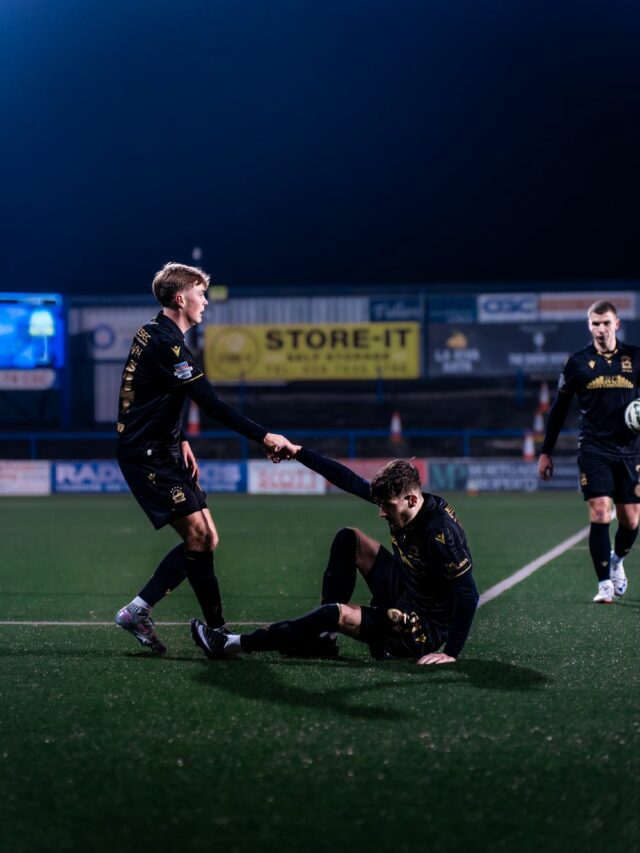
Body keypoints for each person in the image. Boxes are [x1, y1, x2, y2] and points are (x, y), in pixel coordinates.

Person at [114, 261, 296, 653]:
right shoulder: (168, 345)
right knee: (199, 536)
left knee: (208, 538)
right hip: (146, 455)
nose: (206, 302)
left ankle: (141, 611)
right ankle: (215, 631)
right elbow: (210, 404)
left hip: (162, 448)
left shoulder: (153, 331)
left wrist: (180, 439)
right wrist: (265, 436)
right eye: (201, 294)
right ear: (181, 299)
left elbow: (151, 395)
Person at [191, 449, 479, 665]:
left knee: (333, 614)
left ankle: (230, 643)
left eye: (387, 507)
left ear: (412, 500)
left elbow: (468, 594)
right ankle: (323, 639)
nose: (381, 513)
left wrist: (450, 652)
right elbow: (347, 479)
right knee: (348, 539)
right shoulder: (402, 499)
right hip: (408, 588)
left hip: (421, 625)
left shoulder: (441, 532)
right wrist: (297, 452)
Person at [538, 300, 640, 603]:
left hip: (630, 451)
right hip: (594, 449)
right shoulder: (578, 362)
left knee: (631, 521)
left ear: (617, 324)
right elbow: (559, 409)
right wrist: (546, 451)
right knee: (600, 511)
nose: (601, 329)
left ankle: (617, 561)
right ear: (589, 326)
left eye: (606, 323)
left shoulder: (635, 358)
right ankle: (604, 584)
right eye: (595, 323)